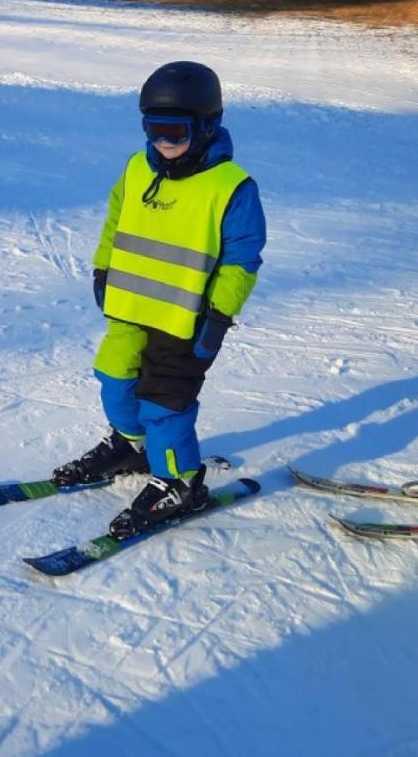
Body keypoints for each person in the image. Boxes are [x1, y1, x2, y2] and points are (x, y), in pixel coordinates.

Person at [52, 61, 267, 540]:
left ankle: (181, 481)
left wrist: (220, 314)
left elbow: (242, 259)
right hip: (129, 308)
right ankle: (133, 446)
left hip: (185, 320)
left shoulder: (231, 187)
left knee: (164, 405)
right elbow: (116, 220)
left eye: (176, 132)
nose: (163, 143)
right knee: (113, 378)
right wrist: (103, 267)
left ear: (208, 126)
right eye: (154, 130)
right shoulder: (136, 167)